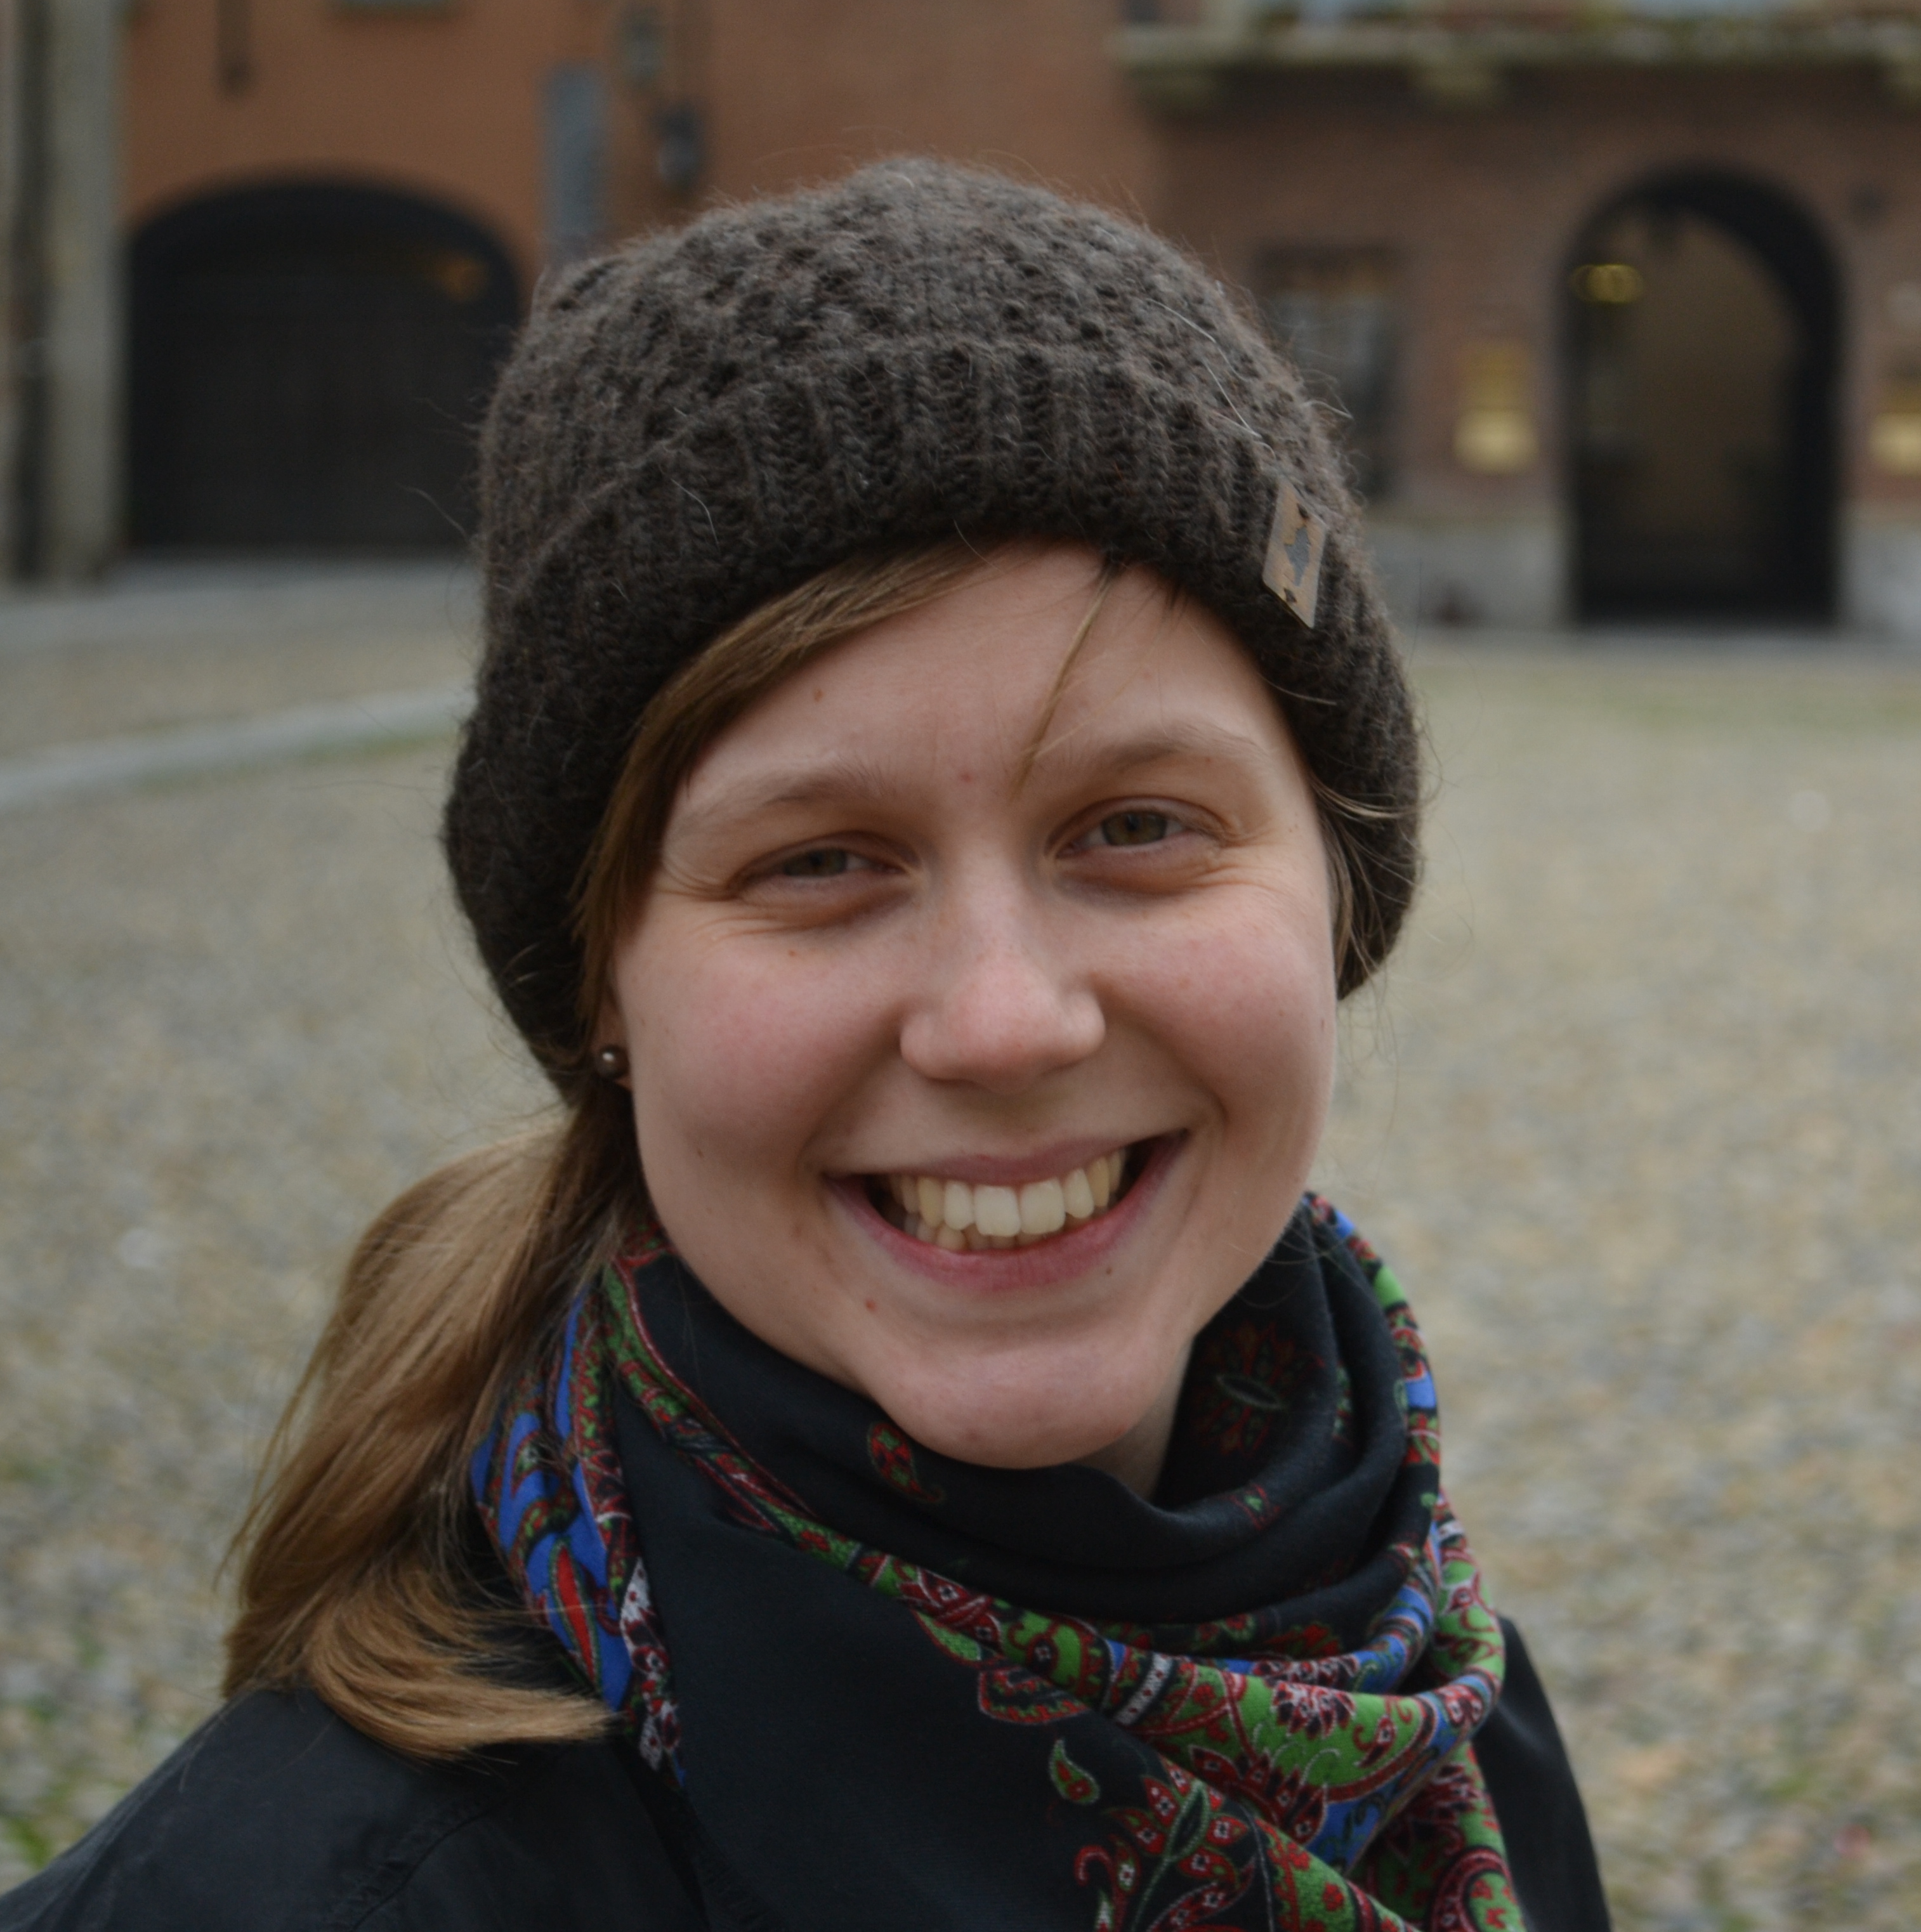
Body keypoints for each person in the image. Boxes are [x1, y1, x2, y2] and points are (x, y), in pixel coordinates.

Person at [1, 162, 1607, 1932]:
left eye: (1139, 827)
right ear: (602, 984)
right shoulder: (333, 1895)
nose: (1003, 1019)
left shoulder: (1433, 1692)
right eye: (820, 863)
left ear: (1338, 886)